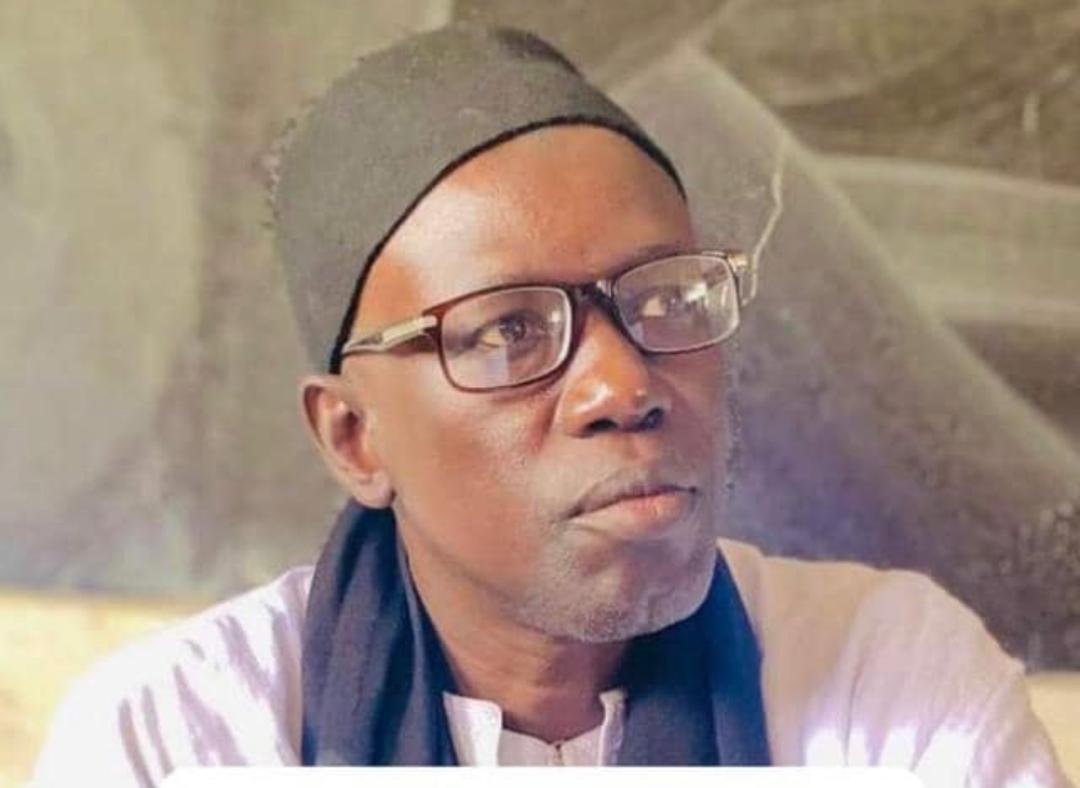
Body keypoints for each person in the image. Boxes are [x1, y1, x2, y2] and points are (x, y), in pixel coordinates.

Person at [33, 24, 1069, 786]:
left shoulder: (893, 687)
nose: (623, 385)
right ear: (355, 437)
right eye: (508, 332)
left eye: (667, 300)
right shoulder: (179, 739)